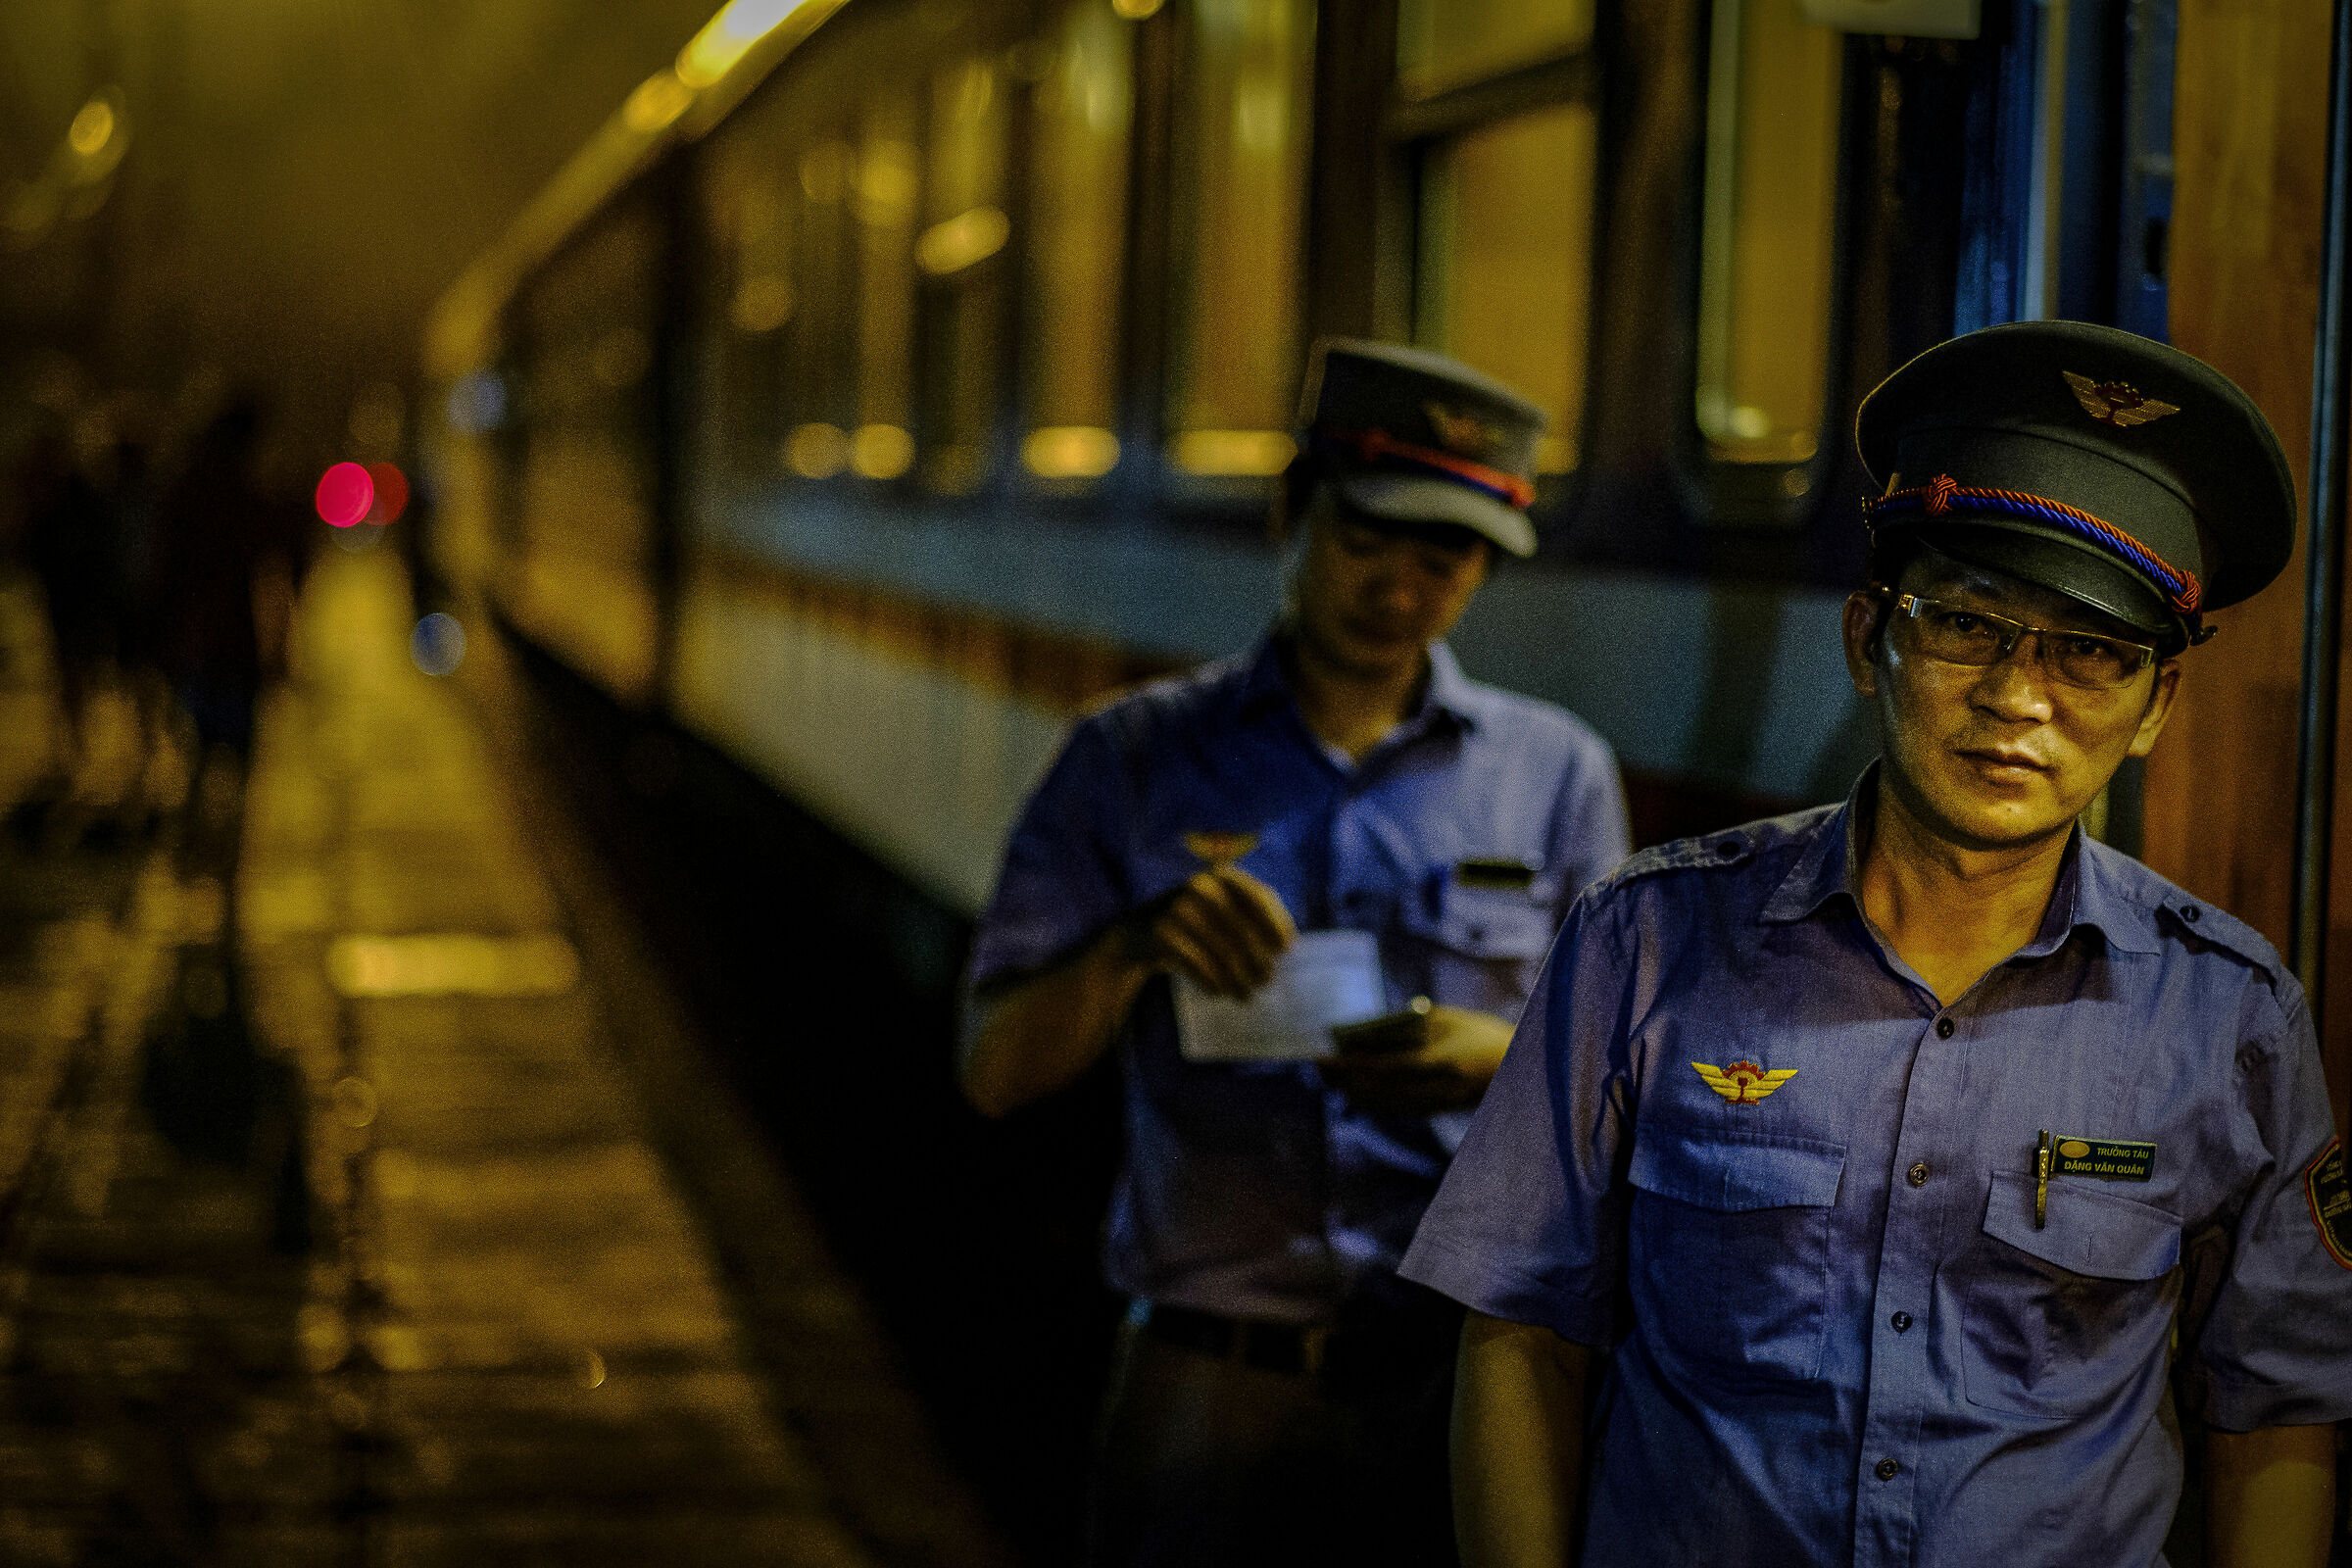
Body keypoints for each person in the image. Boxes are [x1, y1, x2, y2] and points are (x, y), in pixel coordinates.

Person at [1403, 318, 2352, 1568]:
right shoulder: (1645, 941)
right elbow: (1524, 1330)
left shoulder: (2227, 1015)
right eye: (1967, 624)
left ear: (2154, 707)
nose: (2020, 697)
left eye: (2090, 655)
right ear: (1870, 637)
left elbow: (2273, 1411)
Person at [959, 339, 1630, 1567]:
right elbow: (995, 1069)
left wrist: (1502, 1063)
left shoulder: (1558, 777)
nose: (1405, 587)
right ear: (1293, 511)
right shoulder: (1129, 761)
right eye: (1370, 537)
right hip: (1210, 1373)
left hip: (1464, 1386)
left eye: (1450, 556)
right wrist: (1133, 949)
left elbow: (1626, 1094)